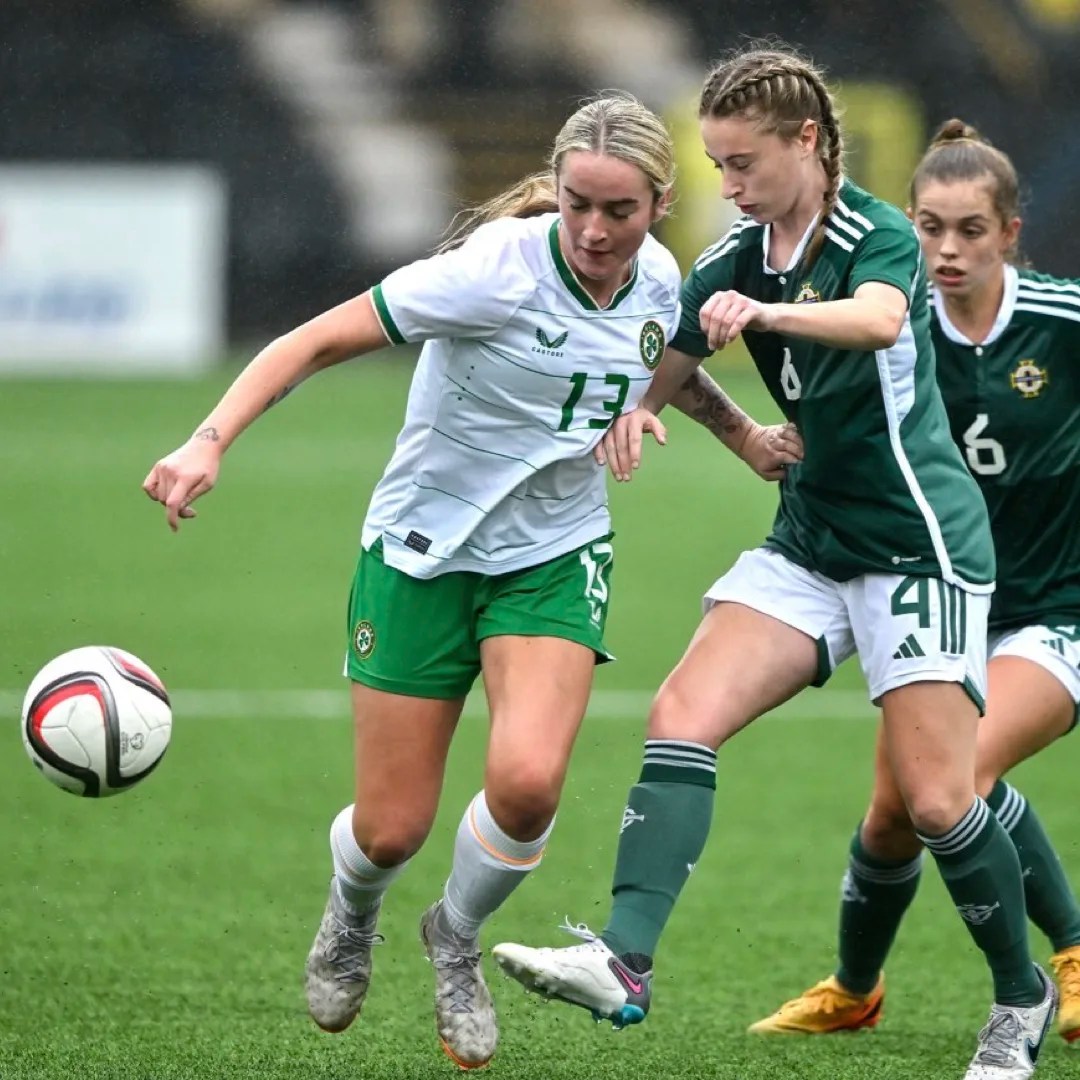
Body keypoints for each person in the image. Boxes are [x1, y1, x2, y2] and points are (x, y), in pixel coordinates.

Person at [141, 93, 800, 1070]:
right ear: (560, 189)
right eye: (578, 203)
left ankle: (453, 940)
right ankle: (353, 912)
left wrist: (740, 431)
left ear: (659, 205)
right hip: (420, 551)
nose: (592, 229)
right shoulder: (492, 273)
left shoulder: (662, 279)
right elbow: (311, 341)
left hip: (552, 555)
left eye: (617, 211)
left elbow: (660, 360)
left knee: (529, 785)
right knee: (391, 826)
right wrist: (208, 440)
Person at [492, 46, 1058, 1080]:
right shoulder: (743, 250)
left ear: (807, 142)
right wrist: (639, 415)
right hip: (812, 539)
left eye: (743, 162)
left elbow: (883, 322)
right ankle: (623, 962)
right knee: (681, 715)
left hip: (917, 543)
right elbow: (668, 356)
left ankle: (1021, 997)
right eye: (716, 164)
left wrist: (767, 316)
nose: (730, 184)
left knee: (936, 803)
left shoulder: (875, 236)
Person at [747, 120, 1080, 1045]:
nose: (946, 249)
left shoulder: (1063, 321)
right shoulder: (889, 327)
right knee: (895, 812)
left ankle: (1075, 953)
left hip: (1056, 612)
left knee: (958, 777)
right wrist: (774, 442)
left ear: (1011, 232)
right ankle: (855, 988)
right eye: (929, 227)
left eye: (970, 229)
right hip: (942, 598)